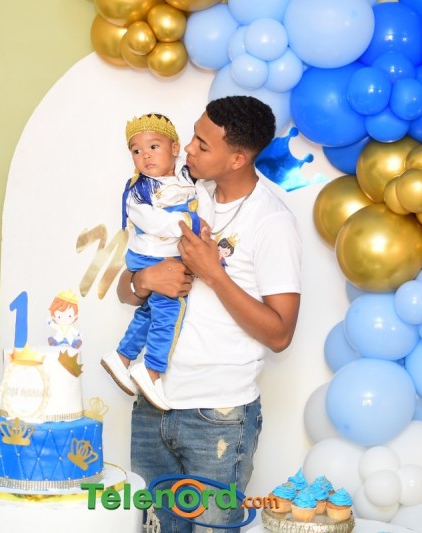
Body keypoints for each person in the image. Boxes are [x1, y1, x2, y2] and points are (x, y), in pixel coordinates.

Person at [118, 96, 302, 531]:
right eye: (193, 137)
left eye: (202, 144)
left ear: (237, 158)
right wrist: (145, 280)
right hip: (152, 401)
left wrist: (212, 273)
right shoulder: (181, 194)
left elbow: (280, 334)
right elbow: (128, 290)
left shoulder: (271, 221)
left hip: (217, 415)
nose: (188, 149)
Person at [101, 113, 212, 411]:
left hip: (165, 254)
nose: (145, 156)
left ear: (174, 148)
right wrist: (190, 222)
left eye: (153, 147)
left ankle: (122, 356)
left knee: (151, 312)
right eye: (136, 151)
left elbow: (204, 203)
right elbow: (152, 221)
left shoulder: (186, 179)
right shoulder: (139, 190)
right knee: (170, 312)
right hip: (151, 255)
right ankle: (151, 371)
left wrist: (204, 225)